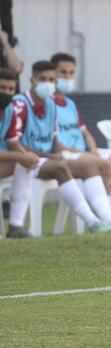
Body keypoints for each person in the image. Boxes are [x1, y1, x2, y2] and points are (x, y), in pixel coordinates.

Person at [8, 60, 111, 233]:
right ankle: (93, 222)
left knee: (91, 165)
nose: (48, 84)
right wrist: (55, 156)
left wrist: (59, 153)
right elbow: (16, 144)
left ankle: (108, 219)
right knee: (63, 166)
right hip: (26, 160)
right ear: (32, 80)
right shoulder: (20, 104)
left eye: (51, 80)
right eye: (43, 79)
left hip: (48, 158)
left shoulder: (51, 104)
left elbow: (55, 140)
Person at [50, 52, 111, 219]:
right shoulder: (47, 104)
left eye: (71, 73)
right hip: (66, 156)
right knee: (102, 164)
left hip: (85, 154)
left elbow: (86, 133)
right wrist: (88, 154)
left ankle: (110, 215)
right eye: (63, 73)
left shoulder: (70, 104)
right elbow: (54, 143)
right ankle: (108, 219)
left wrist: (92, 149)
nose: (68, 77)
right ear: (52, 73)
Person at [0, 67, 37, 238]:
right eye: (2, 88)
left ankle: (15, 225)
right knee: (20, 160)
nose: (6, 93)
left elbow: (12, 141)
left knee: (25, 164)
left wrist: (26, 156)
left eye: (10, 89)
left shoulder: (9, 109)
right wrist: (20, 156)